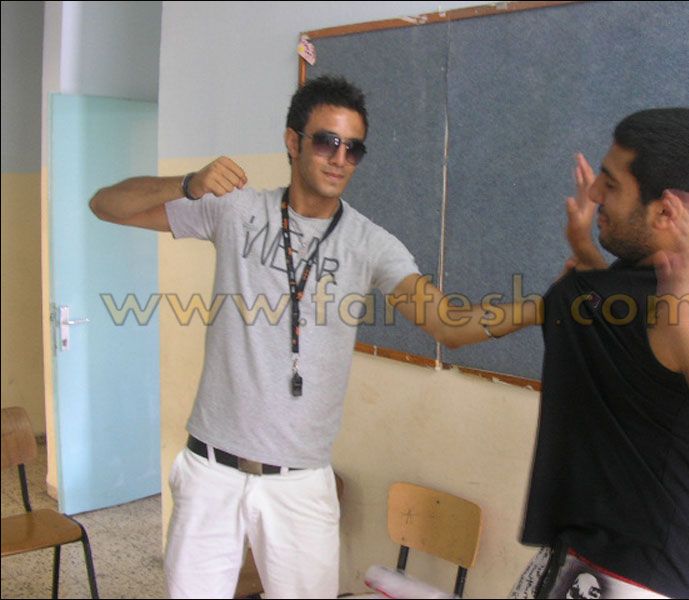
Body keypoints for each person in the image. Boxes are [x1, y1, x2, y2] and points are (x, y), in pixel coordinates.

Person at [89, 75, 540, 599]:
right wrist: (188, 182)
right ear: (293, 141)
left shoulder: (370, 244)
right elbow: (106, 205)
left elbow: (448, 324)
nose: (339, 158)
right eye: (327, 141)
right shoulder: (235, 209)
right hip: (211, 473)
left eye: (354, 148)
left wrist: (541, 308)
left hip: (300, 485)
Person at [509, 108, 689, 599]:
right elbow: (628, 358)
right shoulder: (639, 281)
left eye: (611, 184)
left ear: (666, 212)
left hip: (638, 580)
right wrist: (587, 257)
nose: (594, 193)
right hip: (577, 561)